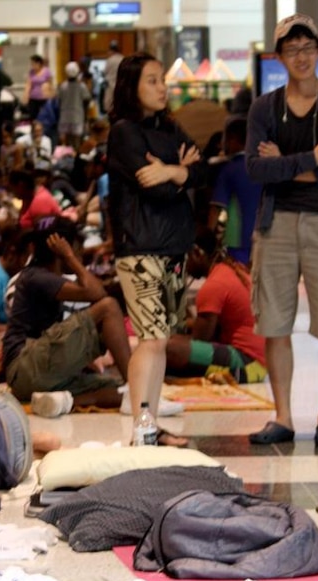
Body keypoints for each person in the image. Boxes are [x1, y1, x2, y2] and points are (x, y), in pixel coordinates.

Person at [245, 13, 318, 446]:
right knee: (274, 322)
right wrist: (313, 157)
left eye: (308, 48)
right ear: (279, 57)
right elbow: (256, 169)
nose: (301, 56)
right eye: (292, 49)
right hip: (275, 225)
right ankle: (283, 416)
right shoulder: (265, 107)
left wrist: (286, 165)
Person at [107, 52, 203, 447]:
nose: (162, 87)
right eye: (151, 80)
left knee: (161, 337)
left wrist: (172, 170)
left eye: (162, 80)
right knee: (150, 337)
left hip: (174, 245)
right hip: (140, 246)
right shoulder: (125, 132)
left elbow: (202, 169)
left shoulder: (172, 127)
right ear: (131, 86)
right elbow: (157, 189)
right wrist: (177, 174)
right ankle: (140, 425)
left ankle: (150, 423)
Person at [2, 219, 130, 416]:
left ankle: (62, 401)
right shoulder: (36, 276)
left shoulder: (45, 278)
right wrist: (70, 257)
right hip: (25, 364)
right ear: (61, 251)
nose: (80, 255)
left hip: (29, 374)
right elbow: (98, 294)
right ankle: (135, 384)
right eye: (77, 249)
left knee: (113, 388)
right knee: (109, 308)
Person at [166, 229, 267, 383]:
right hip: (261, 362)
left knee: (169, 347)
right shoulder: (232, 270)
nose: (182, 268)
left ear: (196, 253)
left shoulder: (214, 285)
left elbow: (200, 339)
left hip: (247, 364)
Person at [209, 117, 261, 265]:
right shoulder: (264, 166)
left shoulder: (229, 169)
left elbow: (217, 207)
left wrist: (208, 240)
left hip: (238, 239)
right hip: (265, 236)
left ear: (232, 140)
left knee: (241, 282)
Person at [56, 61, 91, 150]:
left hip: (65, 117)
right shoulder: (82, 86)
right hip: (78, 117)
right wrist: (86, 118)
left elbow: (59, 102)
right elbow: (86, 102)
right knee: (77, 144)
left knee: (66, 144)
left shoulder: (62, 86)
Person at [23, 55, 54, 121]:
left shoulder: (46, 71)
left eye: (33, 63)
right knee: (33, 117)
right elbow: (28, 85)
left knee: (44, 117)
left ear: (39, 63)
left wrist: (51, 96)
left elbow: (50, 84)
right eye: (31, 64)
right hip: (33, 99)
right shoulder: (31, 72)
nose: (32, 66)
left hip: (43, 99)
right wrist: (26, 96)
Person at [102, 40, 123, 115]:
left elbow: (104, 73)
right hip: (121, 88)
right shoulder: (122, 59)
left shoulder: (109, 60)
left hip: (110, 88)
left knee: (110, 109)